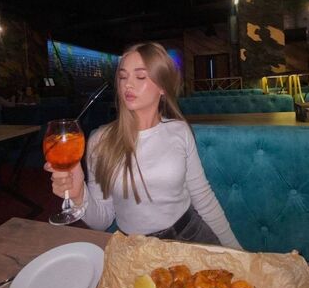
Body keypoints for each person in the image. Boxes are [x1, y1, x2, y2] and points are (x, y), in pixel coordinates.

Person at [44, 42, 241, 248]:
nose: (127, 85)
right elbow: (101, 222)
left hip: (189, 236)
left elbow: (203, 197)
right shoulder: (100, 141)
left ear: (162, 87)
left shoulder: (179, 131)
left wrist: (235, 250)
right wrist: (78, 195)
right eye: (123, 77)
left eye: (140, 77)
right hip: (135, 248)